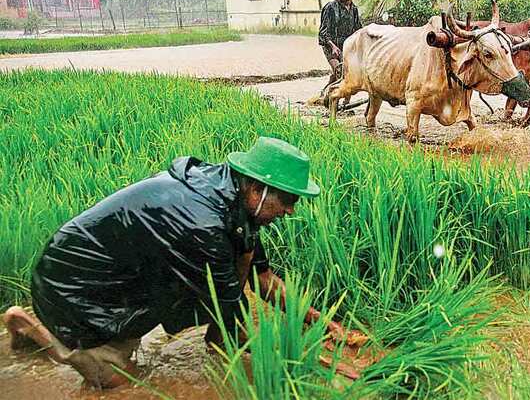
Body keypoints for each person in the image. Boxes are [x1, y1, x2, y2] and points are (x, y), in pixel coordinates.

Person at [3, 137, 364, 388]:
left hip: (117, 281)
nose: (290, 211)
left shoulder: (232, 200)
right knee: (123, 384)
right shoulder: (202, 222)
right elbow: (229, 309)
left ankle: (35, 325)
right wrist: (295, 357)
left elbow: (263, 277)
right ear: (258, 189)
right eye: (287, 201)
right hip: (71, 289)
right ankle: (43, 333)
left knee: (217, 287)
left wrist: (322, 323)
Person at [318, 0, 362, 104]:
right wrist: (332, 46)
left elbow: (358, 29)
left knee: (347, 73)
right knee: (340, 72)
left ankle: (327, 93)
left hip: (347, 46)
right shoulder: (330, 8)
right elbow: (323, 32)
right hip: (330, 44)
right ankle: (335, 102)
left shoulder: (354, 10)